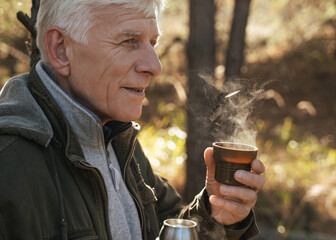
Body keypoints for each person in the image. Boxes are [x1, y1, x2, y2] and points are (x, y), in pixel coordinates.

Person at [0, 0, 265, 239]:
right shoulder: (8, 163)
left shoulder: (118, 138)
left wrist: (216, 217)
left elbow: (167, 227)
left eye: (152, 43)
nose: (155, 66)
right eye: (129, 41)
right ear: (60, 49)